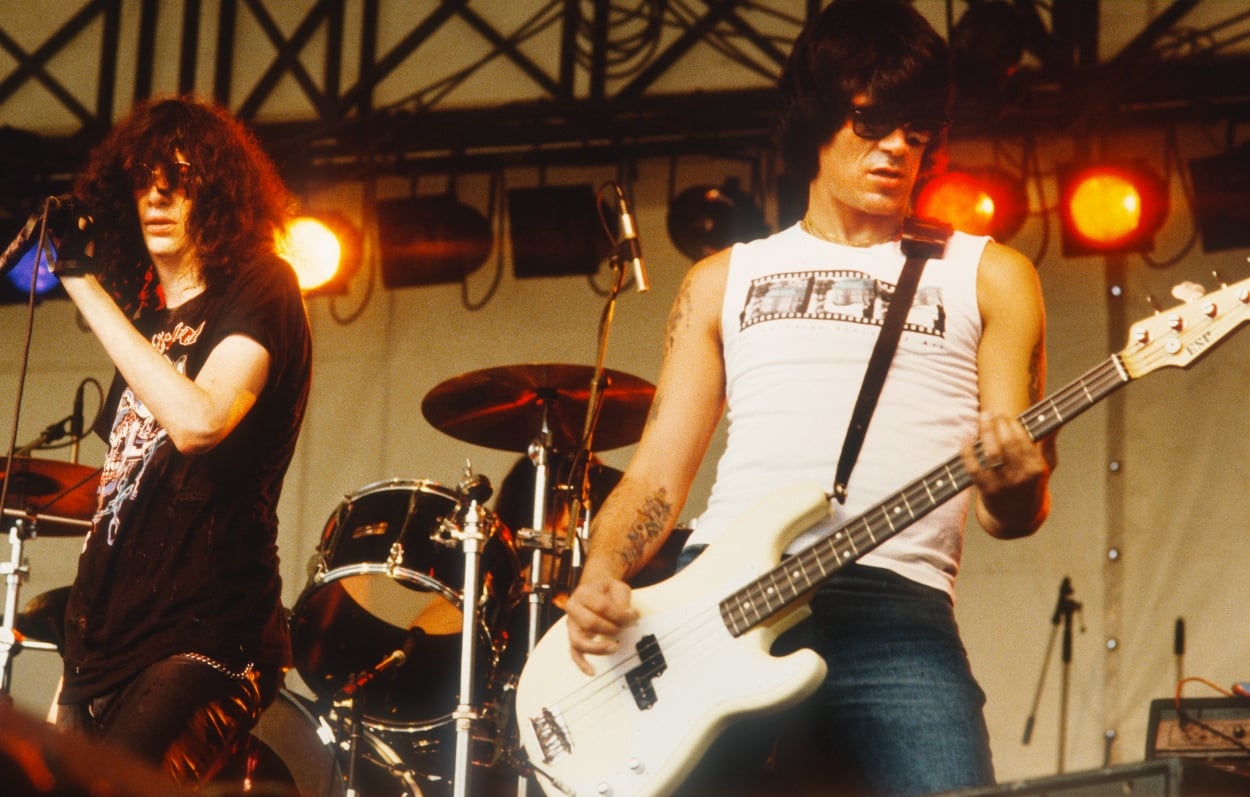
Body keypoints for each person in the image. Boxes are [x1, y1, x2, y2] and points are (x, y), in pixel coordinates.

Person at [559, 1, 1056, 795]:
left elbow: (1012, 515)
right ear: (817, 115)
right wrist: (603, 569)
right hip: (717, 598)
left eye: (918, 128)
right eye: (873, 121)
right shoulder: (724, 278)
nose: (898, 146)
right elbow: (657, 473)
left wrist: (1018, 478)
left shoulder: (990, 274)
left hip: (896, 610)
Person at [48, 96, 312, 788]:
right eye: (144, 179)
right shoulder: (143, 325)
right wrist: (71, 671)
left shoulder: (263, 287)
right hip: (106, 648)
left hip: (208, 635)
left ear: (218, 194)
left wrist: (80, 282)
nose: (157, 195)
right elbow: (117, 499)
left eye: (180, 179)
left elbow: (200, 422)